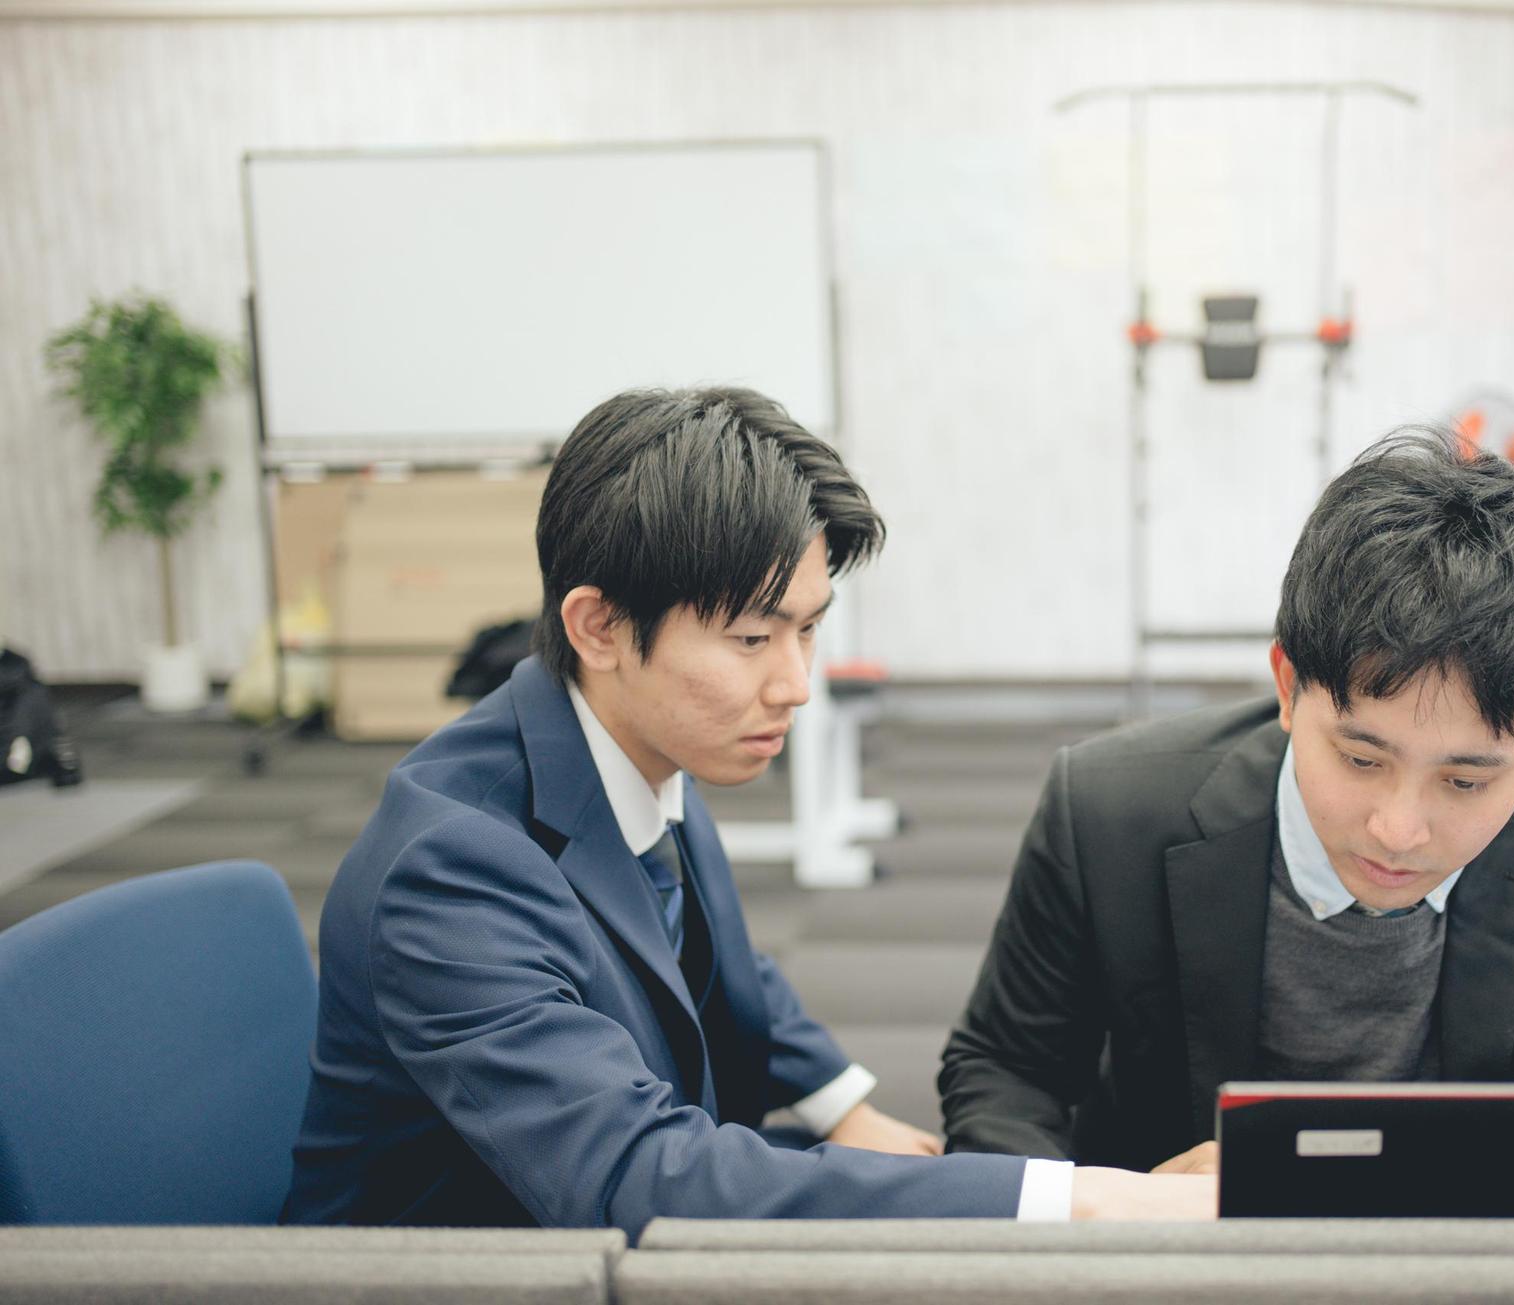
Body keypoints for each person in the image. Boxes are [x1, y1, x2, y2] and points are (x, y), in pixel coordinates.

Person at [283, 387, 1212, 1232]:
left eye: (809, 628)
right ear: (599, 627)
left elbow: (710, 958)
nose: (795, 683)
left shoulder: (629, 735)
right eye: (753, 638)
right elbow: (645, 1178)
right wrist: (1087, 1196)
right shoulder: (452, 871)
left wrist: (841, 1102)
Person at [939, 428, 1514, 1173]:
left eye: (1465, 781)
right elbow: (1004, 1072)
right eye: (1361, 758)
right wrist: (1117, 1210)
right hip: (1180, 1246)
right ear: (1288, 685)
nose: (1398, 829)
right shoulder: (1112, 808)